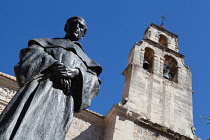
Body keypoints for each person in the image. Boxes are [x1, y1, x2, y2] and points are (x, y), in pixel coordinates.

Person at [0, 16, 102, 140]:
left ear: (83, 33)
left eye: (81, 26)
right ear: (66, 26)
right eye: (74, 23)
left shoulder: (87, 62)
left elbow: (94, 83)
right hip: (39, 88)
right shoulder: (46, 43)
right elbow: (30, 54)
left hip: (63, 99)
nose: (77, 27)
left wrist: (76, 73)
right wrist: (55, 66)